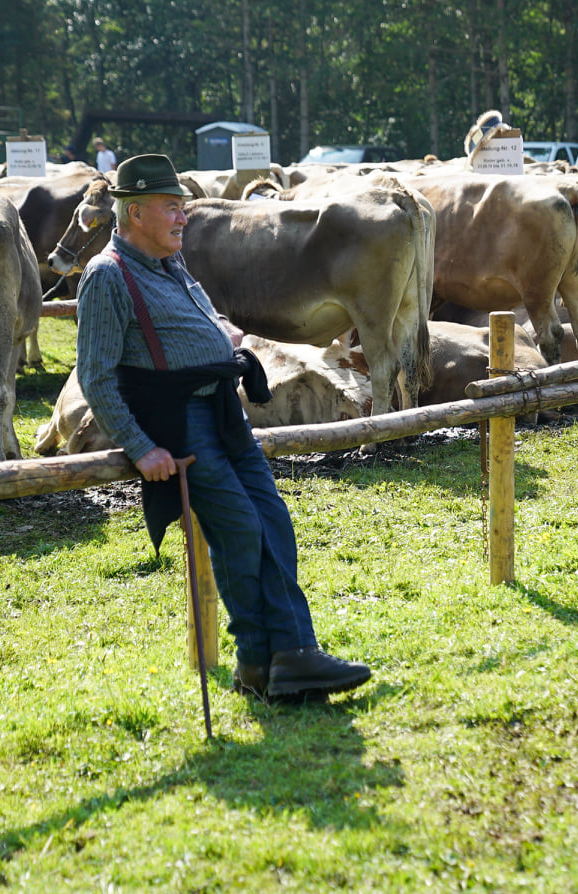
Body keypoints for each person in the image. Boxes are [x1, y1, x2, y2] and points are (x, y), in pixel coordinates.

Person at [76, 154, 372, 703]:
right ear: (135, 212)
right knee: (240, 531)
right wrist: (141, 449)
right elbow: (95, 376)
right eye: (171, 208)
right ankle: (266, 658)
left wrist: (226, 345)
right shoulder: (108, 276)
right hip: (181, 423)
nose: (182, 217)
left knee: (273, 521)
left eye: (183, 207)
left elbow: (210, 325)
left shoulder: (171, 266)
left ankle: (285, 658)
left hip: (223, 412)